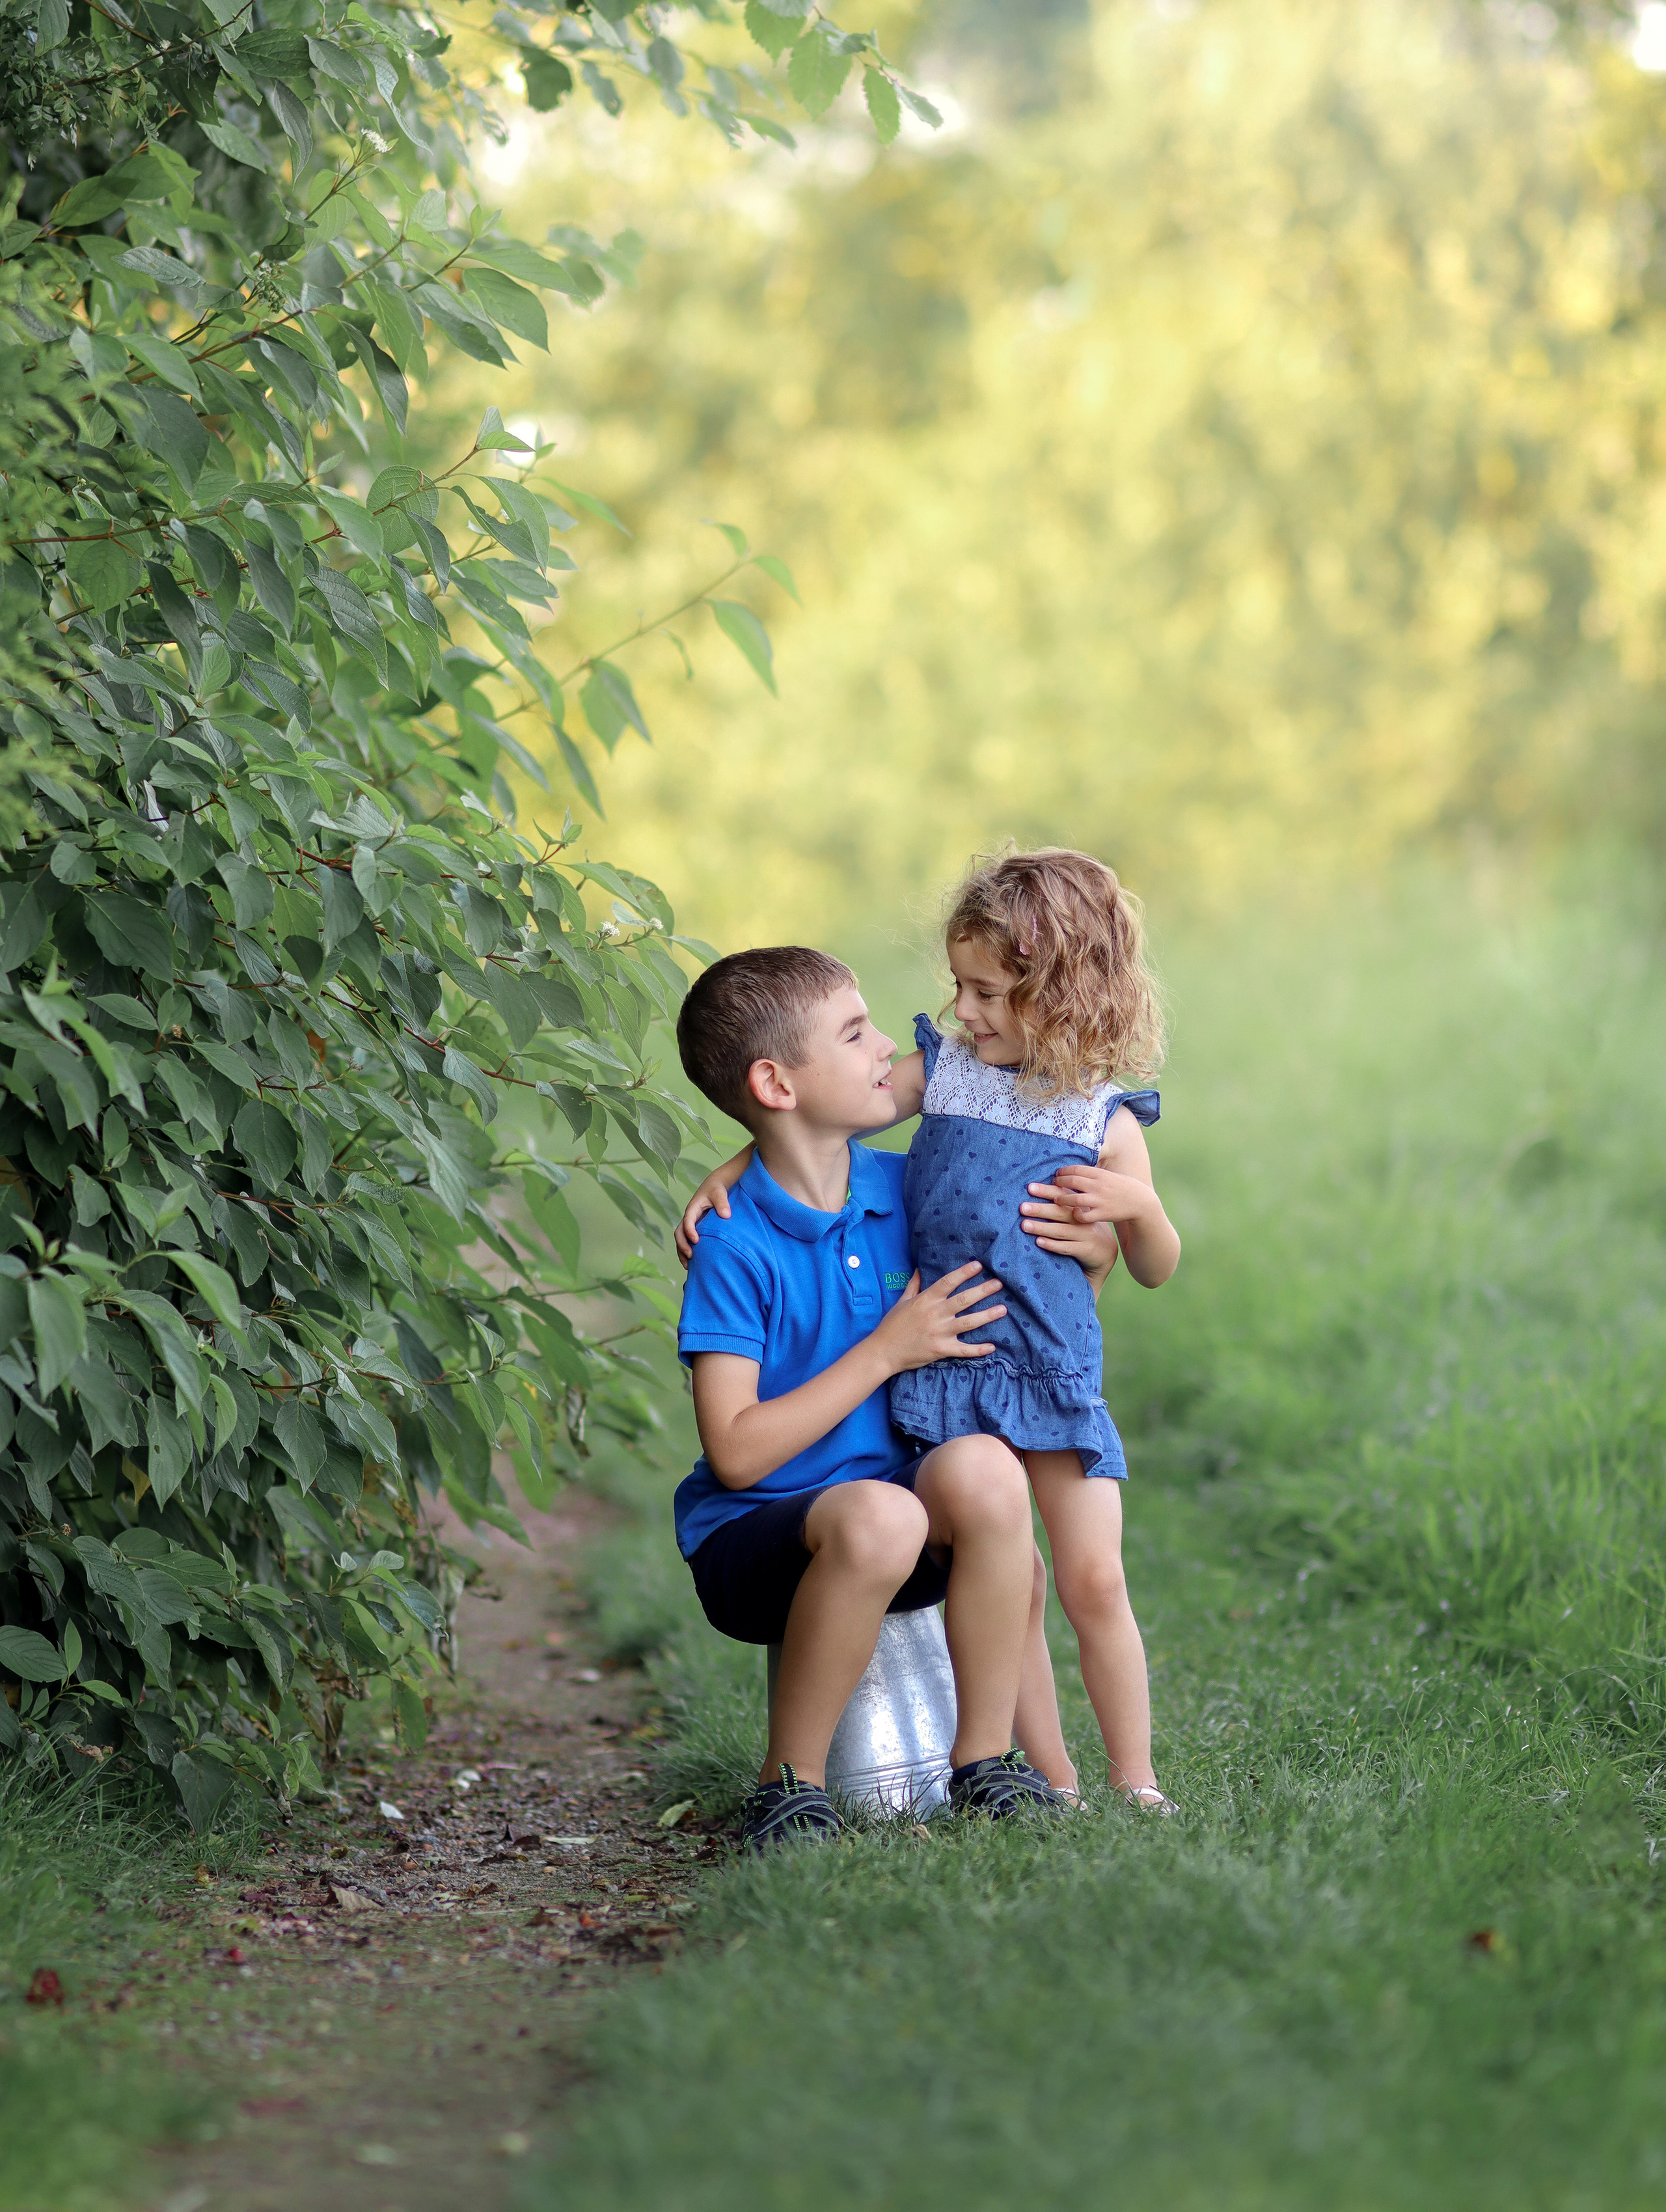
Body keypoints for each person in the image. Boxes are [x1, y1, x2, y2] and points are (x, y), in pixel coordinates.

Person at [679, 850, 1181, 1812]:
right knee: (951, 1546)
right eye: (856, 1031)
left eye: (983, 991)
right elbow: (809, 1115)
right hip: (838, 1482)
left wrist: (1113, 1239)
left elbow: (1076, 1250)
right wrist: (736, 1170)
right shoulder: (748, 1231)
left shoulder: (957, 1168)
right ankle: (828, 1785)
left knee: (1040, 1533)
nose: (946, 1017)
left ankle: (1047, 1771)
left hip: (975, 1439)